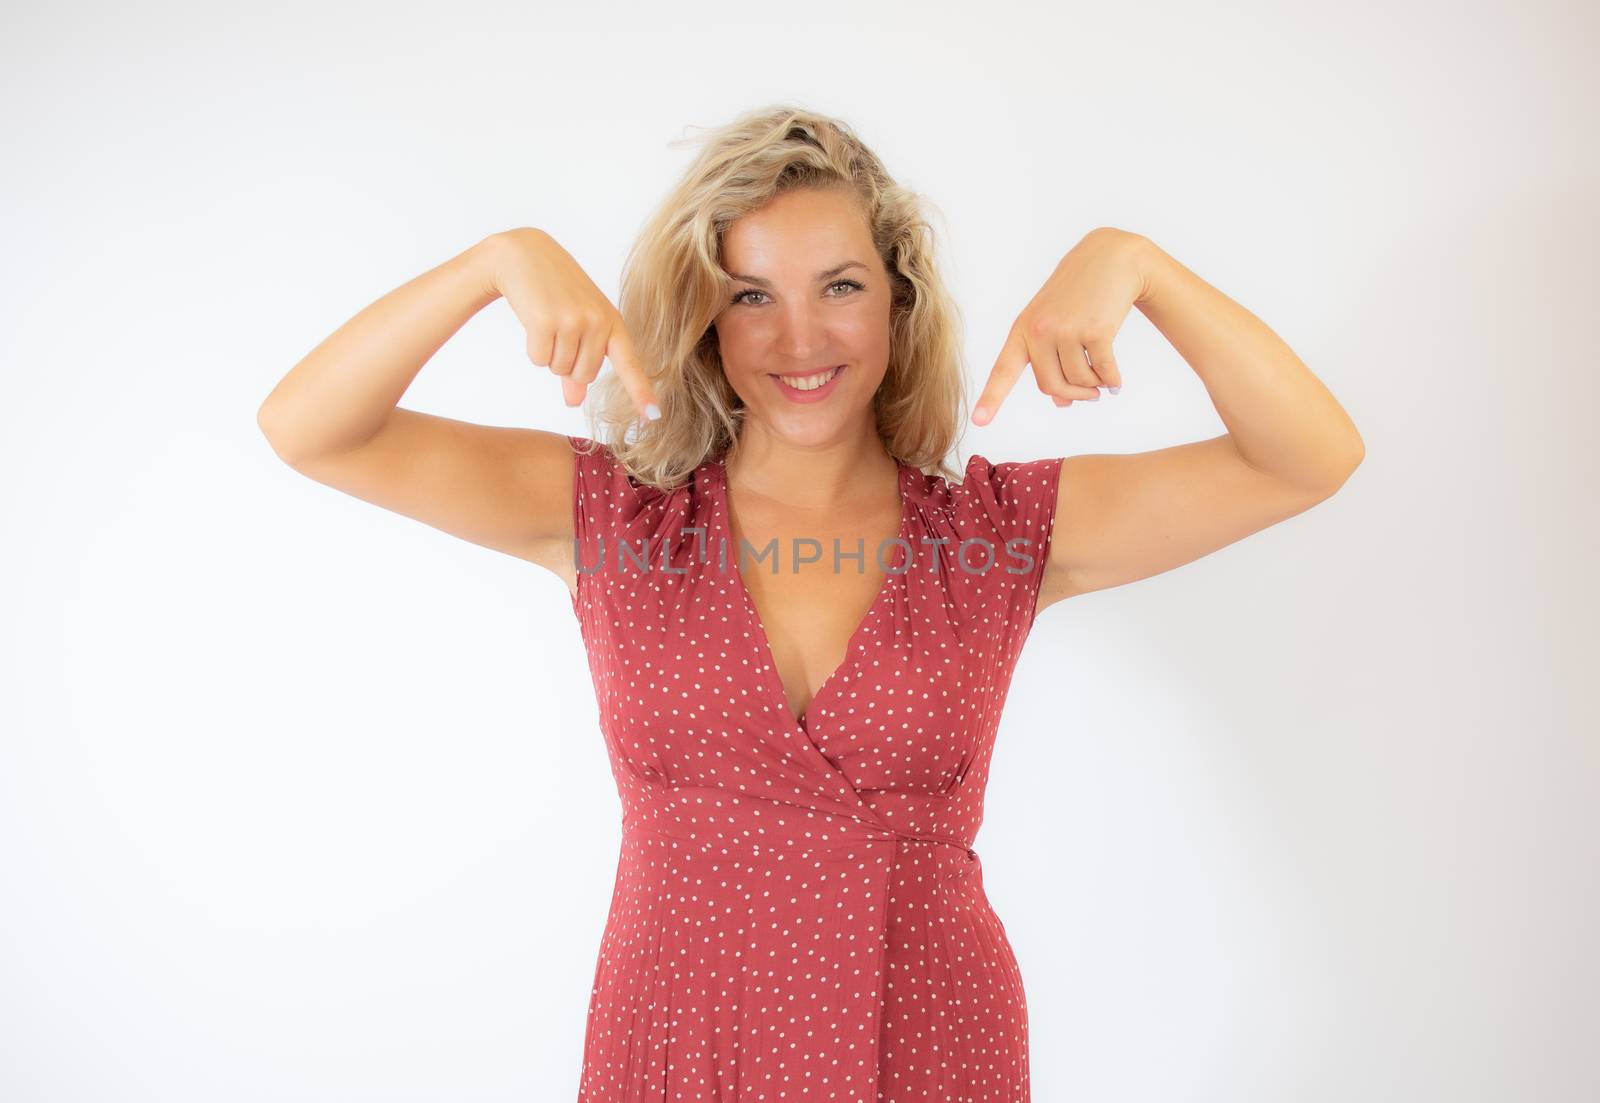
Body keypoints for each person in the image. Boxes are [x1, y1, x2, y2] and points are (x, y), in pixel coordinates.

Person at [257, 105, 1363, 1102]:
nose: (799, 340)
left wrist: (1136, 264)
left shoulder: (993, 536)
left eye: (839, 285)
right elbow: (312, 427)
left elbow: (1305, 459)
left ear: (898, 300)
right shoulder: (613, 519)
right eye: (749, 295)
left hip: (928, 1039)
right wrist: (500, 262)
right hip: (680, 1040)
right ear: (704, 320)